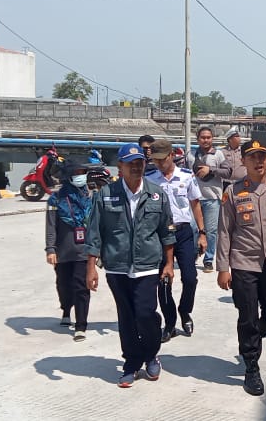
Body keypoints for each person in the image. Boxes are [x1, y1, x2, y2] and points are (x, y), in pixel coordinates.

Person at [85, 143, 176, 388]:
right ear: (120, 166)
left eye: (140, 162)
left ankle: (151, 353)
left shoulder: (156, 194)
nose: (136, 167)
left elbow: (167, 231)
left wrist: (169, 263)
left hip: (147, 265)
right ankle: (132, 363)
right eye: (131, 163)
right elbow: (94, 233)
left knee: (145, 314)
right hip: (117, 266)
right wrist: (91, 268)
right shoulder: (105, 194)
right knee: (126, 317)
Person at [215, 140, 266, 396]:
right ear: (243, 161)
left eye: (262, 156)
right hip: (244, 263)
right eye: (252, 157)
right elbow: (224, 231)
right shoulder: (233, 192)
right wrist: (223, 267)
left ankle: (252, 339)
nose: (258, 161)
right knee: (248, 315)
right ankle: (251, 366)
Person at [146, 139, 208, 341]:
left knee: (190, 278)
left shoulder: (187, 177)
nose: (159, 164)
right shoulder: (150, 179)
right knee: (164, 281)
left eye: (162, 159)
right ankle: (170, 322)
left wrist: (202, 232)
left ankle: (185, 311)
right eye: (155, 160)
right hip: (159, 234)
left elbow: (195, 204)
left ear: (172, 155)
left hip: (183, 233)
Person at [45, 163, 93, 342]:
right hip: (63, 250)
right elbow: (50, 226)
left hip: (84, 250)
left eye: (83, 173)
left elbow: (97, 225)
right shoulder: (56, 199)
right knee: (64, 284)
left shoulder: (90, 197)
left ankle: (81, 325)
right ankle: (66, 308)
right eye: (77, 173)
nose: (81, 176)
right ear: (68, 176)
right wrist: (50, 248)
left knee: (81, 286)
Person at [191, 127, 231, 273]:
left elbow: (228, 172)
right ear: (198, 139)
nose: (205, 140)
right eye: (203, 137)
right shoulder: (191, 155)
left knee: (212, 231)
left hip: (212, 198)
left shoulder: (218, 154)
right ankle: (195, 253)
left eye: (208, 137)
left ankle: (208, 259)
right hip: (194, 199)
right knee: (193, 228)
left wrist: (211, 170)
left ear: (212, 139)